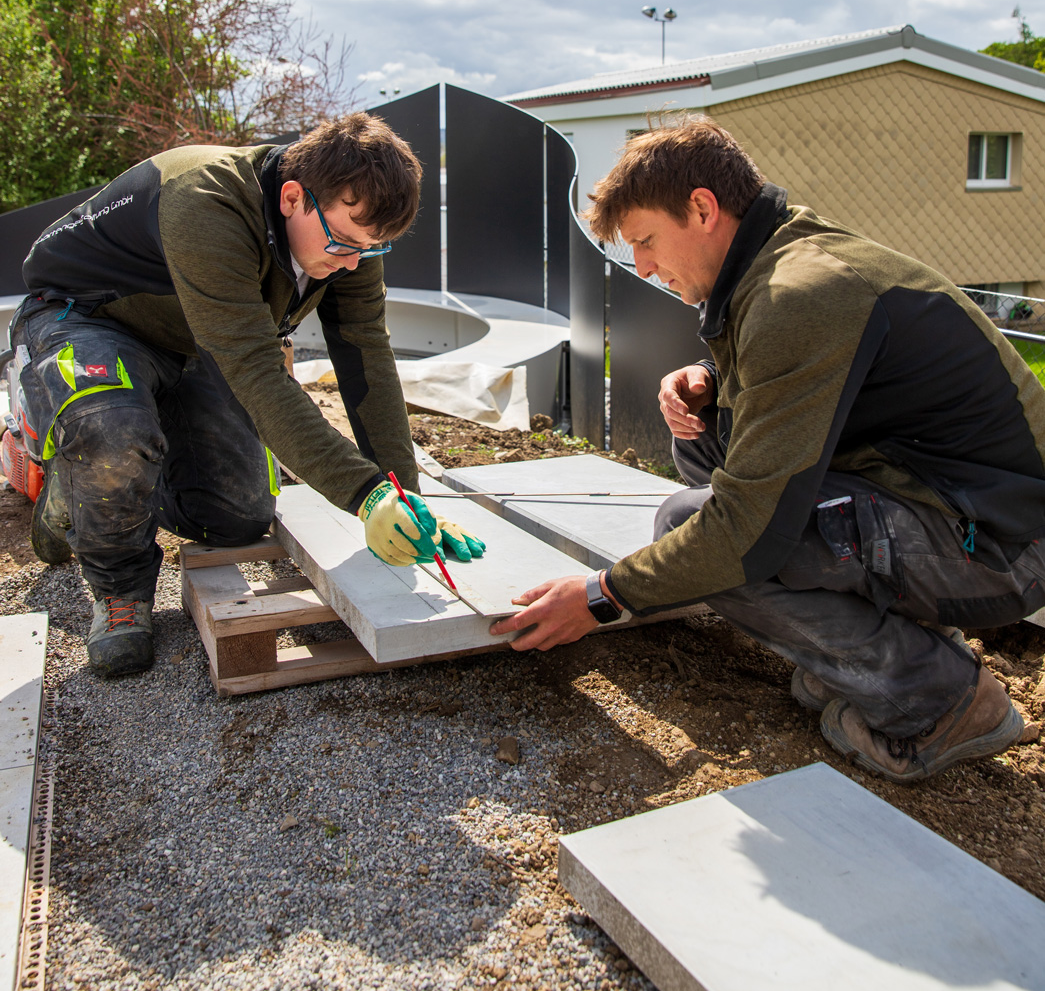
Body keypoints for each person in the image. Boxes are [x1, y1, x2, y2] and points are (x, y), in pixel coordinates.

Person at [491, 118, 1045, 784]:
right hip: (953, 503)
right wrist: (713, 381)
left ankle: (941, 701)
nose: (641, 266)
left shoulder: (798, 293)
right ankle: (900, 646)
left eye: (645, 240)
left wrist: (602, 595)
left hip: (1004, 548)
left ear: (702, 209)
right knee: (707, 448)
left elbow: (744, 534)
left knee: (707, 534)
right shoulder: (784, 257)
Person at [15, 113, 483, 676]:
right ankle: (117, 582)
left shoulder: (352, 234)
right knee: (112, 434)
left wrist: (404, 496)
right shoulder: (205, 200)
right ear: (292, 197)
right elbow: (256, 369)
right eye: (344, 243)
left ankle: (93, 488)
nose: (352, 262)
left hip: (191, 339)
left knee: (237, 517)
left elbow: (367, 358)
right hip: (88, 317)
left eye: (371, 249)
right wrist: (366, 495)